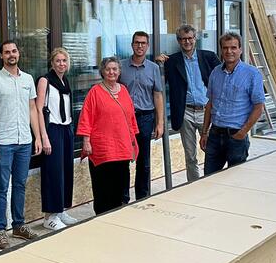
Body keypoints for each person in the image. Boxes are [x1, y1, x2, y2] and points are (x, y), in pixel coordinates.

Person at [0, 41, 42, 249]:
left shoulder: (28, 79)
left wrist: (37, 136)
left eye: (14, 51)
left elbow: (32, 110)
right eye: (7, 52)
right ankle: (0, 230)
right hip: (3, 141)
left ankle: (19, 225)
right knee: (1, 187)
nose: (11, 55)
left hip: (24, 142)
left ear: (19, 54)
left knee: (20, 184)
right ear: (2, 56)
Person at [155, 25, 221, 181]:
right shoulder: (172, 61)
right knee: (190, 155)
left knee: (212, 152)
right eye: (183, 39)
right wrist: (158, 62)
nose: (187, 42)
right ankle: (194, 186)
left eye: (190, 38)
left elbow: (223, 79)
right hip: (186, 113)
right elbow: (157, 81)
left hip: (207, 111)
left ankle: (213, 182)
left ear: (195, 38)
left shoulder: (209, 57)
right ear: (179, 41)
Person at [77, 57, 140, 215]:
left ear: (119, 71)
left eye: (115, 69)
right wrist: (86, 141)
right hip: (102, 149)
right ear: (102, 72)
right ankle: (102, 218)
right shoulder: (95, 92)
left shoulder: (124, 90)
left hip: (122, 147)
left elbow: (131, 117)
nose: (111, 72)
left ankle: (117, 216)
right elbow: (86, 118)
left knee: (120, 187)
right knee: (103, 188)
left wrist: (133, 141)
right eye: (108, 69)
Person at [200, 32, 265, 176]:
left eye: (233, 47)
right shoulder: (215, 73)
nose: (229, 51)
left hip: (236, 136)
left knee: (235, 182)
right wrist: (204, 132)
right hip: (215, 135)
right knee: (208, 180)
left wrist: (243, 132)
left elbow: (259, 107)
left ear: (240, 49)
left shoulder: (252, 74)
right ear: (221, 50)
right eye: (225, 48)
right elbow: (210, 104)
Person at [119, 31, 164, 201]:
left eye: (143, 43)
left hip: (145, 118)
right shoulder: (121, 66)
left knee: (143, 161)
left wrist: (160, 123)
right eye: (137, 42)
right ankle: (123, 199)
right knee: (124, 159)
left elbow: (158, 95)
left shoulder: (153, 68)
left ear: (148, 46)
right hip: (124, 120)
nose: (140, 46)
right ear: (132, 45)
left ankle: (142, 197)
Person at [36, 47, 77, 230]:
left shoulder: (65, 81)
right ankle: (49, 216)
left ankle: (60, 210)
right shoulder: (45, 80)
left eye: (64, 61)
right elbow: (38, 110)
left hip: (66, 128)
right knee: (53, 172)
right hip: (52, 129)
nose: (61, 64)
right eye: (58, 61)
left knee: (66, 170)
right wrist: (44, 137)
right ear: (52, 63)